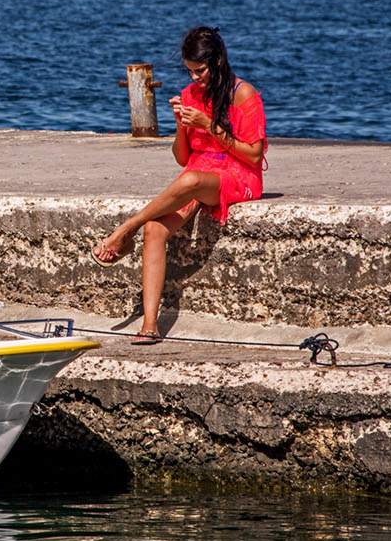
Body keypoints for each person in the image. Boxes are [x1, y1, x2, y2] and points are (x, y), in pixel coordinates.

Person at [91, 26, 266, 344]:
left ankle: (124, 230)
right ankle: (149, 325)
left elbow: (254, 155)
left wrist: (209, 126)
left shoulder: (243, 93)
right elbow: (183, 157)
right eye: (190, 71)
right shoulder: (190, 95)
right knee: (155, 229)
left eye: (199, 71)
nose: (195, 78)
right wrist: (180, 124)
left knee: (191, 180)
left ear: (217, 61)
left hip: (237, 175)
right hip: (199, 173)